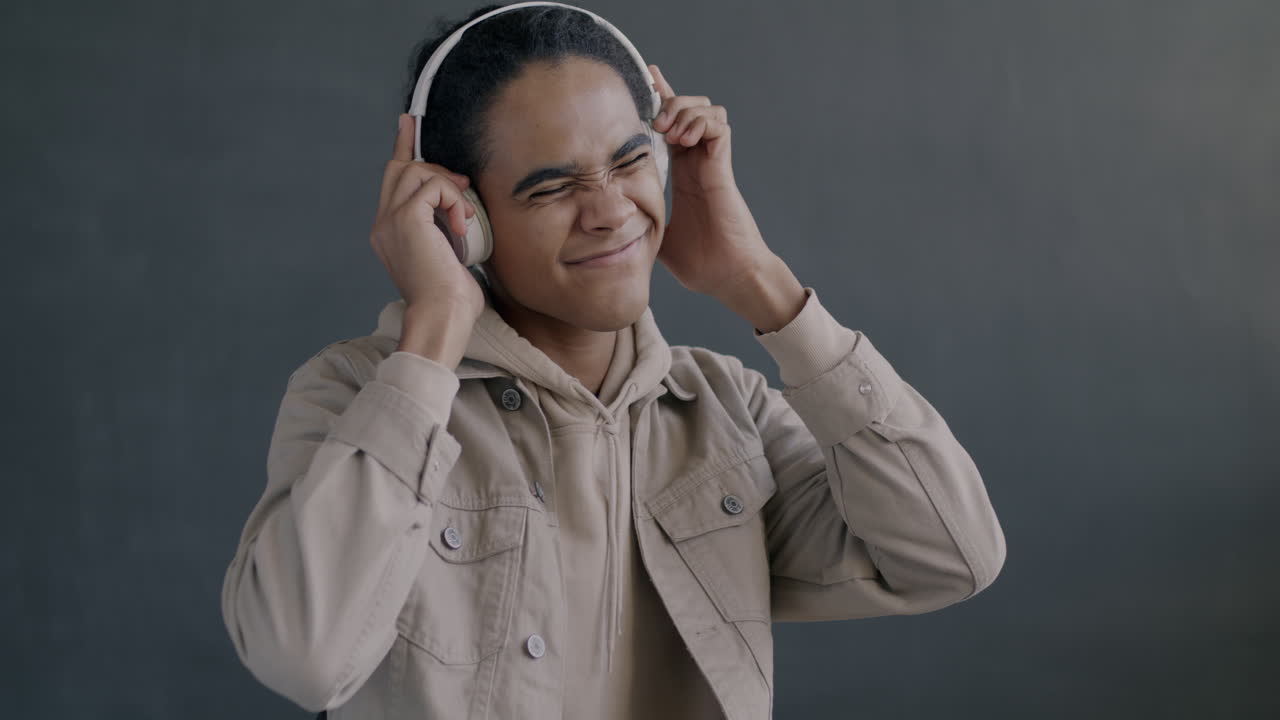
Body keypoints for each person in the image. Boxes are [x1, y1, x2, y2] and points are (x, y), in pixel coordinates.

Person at [220, 3, 1007, 719]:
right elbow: (301, 657)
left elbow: (951, 557)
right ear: (463, 218)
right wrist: (432, 332)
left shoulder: (727, 412)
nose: (609, 211)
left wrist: (758, 280)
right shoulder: (355, 392)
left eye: (630, 161)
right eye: (551, 186)